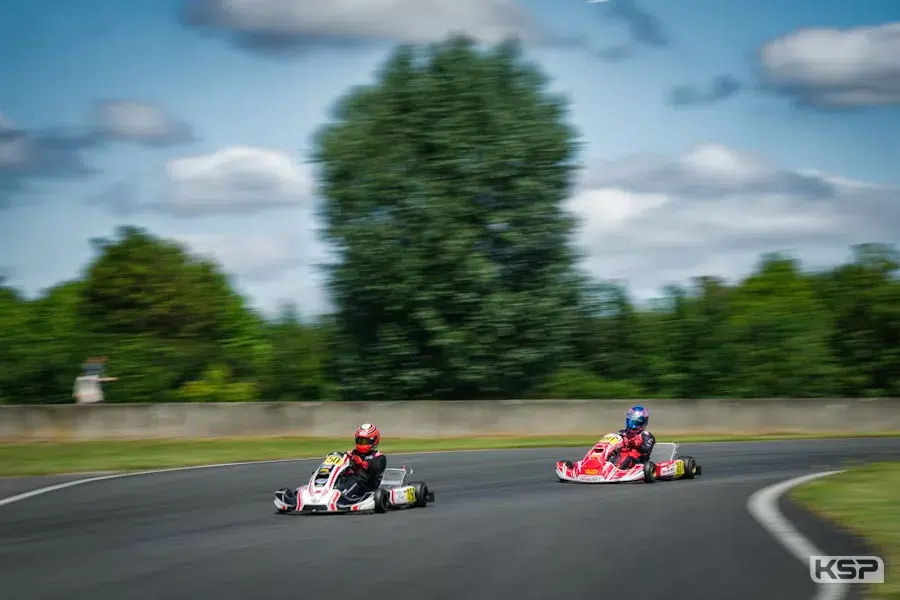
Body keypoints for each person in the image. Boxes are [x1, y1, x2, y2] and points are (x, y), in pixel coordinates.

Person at [341, 423, 387, 500]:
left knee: (355, 480)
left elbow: (376, 468)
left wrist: (362, 463)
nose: (361, 444)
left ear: (374, 441)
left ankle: (341, 498)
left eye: (365, 441)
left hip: (367, 485)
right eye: (359, 441)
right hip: (347, 482)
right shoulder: (351, 453)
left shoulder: (379, 457)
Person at [611, 405, 656, 469]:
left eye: (636, 423)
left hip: (636, 461)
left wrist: (637, 444)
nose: (633, 425)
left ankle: (614, 469)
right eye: (631, 421)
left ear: (643, 423)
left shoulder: (646, 435)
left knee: (627, 457)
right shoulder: (622, 433)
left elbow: (646, 449)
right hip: (619, 457)